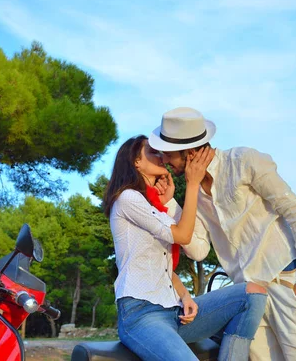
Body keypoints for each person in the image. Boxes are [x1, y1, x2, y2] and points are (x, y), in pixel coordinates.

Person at [149, 107, 296, 361]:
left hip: (286, 280)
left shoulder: (244, 162)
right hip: (249, 295)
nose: (164, 160)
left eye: (168, 154)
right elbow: (199, 250)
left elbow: (295, 210)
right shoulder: (193, 193)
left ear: (189, 152)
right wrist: (171, 205)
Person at [103, 135, 268, 361]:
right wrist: (192, 184)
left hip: (174, 311)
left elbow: (165, 267)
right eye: (152, 152)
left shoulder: (154, 206)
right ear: (136, 162)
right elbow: (183, 234)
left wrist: (185, 295)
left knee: (252, 293)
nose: (161, 156)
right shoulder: (128, 199)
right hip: (141, 314)